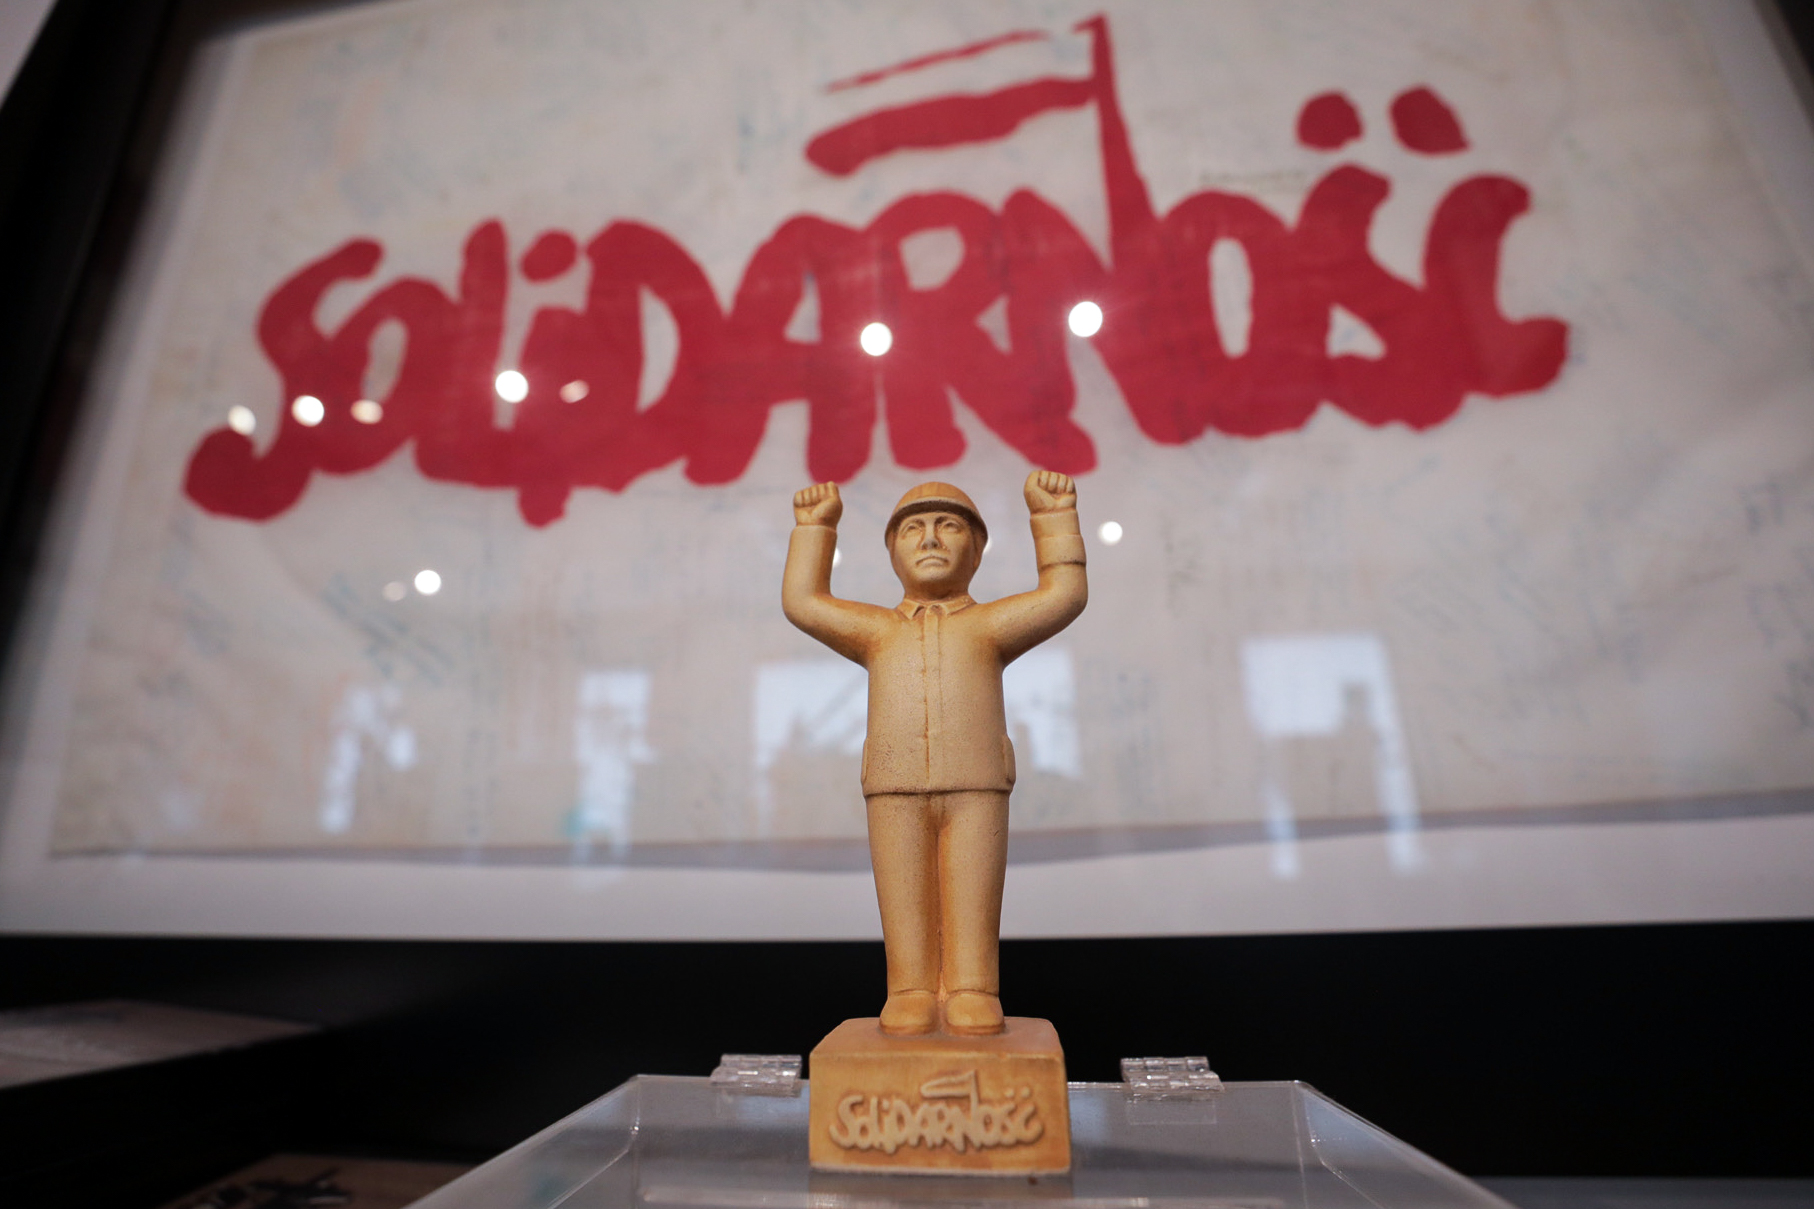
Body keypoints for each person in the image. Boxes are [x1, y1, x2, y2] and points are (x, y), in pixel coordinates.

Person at [783, 471, 1087, 1035]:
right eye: (912, 529)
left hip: (978, 781)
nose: (929, 539)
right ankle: (910, 988)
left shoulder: (989, 625)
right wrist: (814, 529)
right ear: (892, 552)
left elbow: (1064, 594)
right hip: (892, 784)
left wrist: (1053, 518)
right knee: (903, 892)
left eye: (948, 526)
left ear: (977, 549)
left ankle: (973, 986)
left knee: (974, 890)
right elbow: (803, 602)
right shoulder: (877, 630)